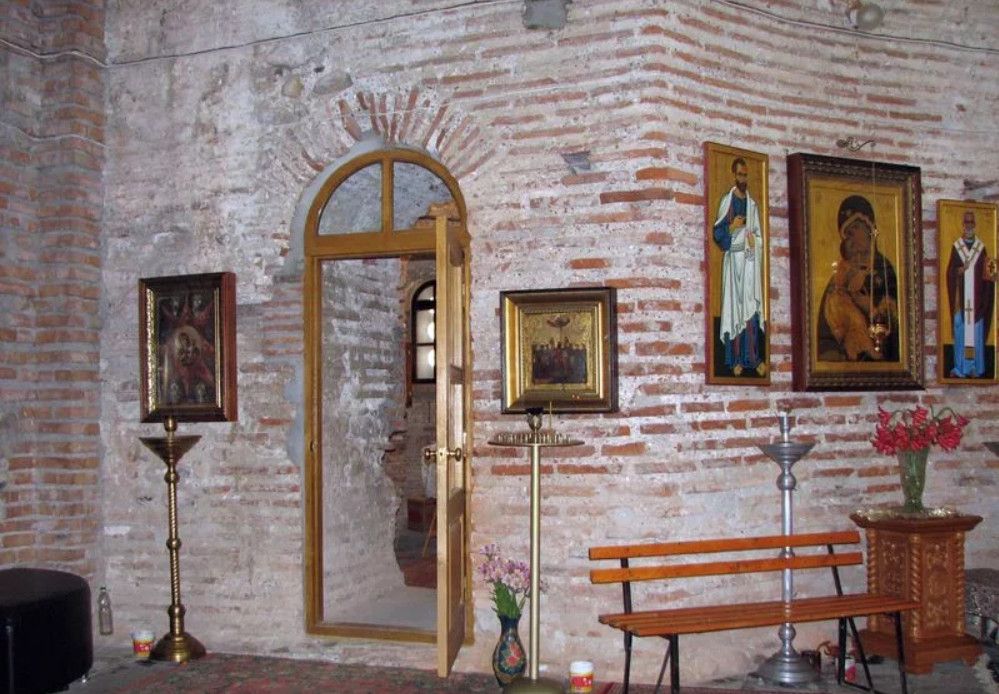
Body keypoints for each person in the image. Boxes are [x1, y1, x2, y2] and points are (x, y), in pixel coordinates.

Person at [817, 195, 898, 361]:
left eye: (855, 228)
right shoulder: (840, 275)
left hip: (880, 357)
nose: (851, 237)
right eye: (847, 234)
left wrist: (870, 308)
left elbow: (897, 325)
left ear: (870, 229)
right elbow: (825, 335)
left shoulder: (885, 270)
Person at [712, 157, 765, 376]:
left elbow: (760, 238)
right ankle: (734, 360)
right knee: (735, 311)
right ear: (734, 175)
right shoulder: (728, 201)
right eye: (740, 174)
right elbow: (718, 234)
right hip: (734, 262)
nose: (743, 179)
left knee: (750, 310)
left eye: (746, 175)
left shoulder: (752, 205)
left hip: (749, 262)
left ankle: (752, 359)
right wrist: (732, 227)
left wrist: (755, 241)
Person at [946, 210, 995, 377]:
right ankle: (960, 368)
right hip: (961, 301)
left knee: (975, 332)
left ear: (975, 225)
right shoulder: (957, 247)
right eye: (966, 223)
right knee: (961, 329)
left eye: (971, 223)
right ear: (963, 225)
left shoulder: (981, 249)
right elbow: (950, 272)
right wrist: (960, 270)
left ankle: (974, 368)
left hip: (977, 300)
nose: (969, 226)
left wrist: (992, 277)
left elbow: (988, 275)